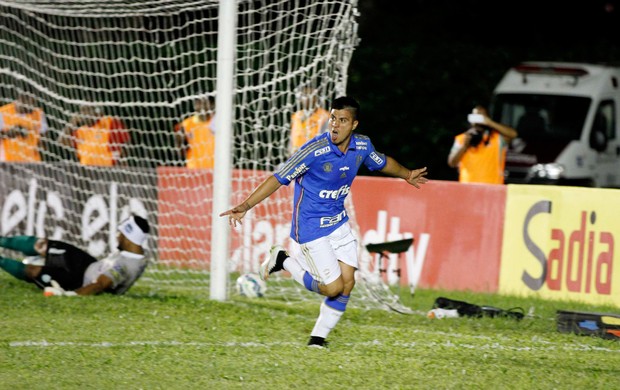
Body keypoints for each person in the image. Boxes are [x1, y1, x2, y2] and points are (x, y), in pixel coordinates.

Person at [220, 96, 428, 347]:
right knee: (332, 288)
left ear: (354, 124)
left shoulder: (361, 146)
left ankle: (317, 339)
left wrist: (406, 174)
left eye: (342, 120)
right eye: (332, 118)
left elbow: (382, 162)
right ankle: (283, 260)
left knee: (347, 283)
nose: (335, 125)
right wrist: (245, 205)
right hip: (310, 226)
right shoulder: (313, 150)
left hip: (338, 222)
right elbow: (278, 178)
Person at [0, 215, 150, 296]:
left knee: (33, 271)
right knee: (43, 245)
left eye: (120, 233)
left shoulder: (124, 266)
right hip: (86, 264)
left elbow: (100, 285)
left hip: (78, 282)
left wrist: (72, 295)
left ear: (129, 236)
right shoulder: (132, 254)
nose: (117, 237)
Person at [447, 105, 518, 184]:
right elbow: (452, 163)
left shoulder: (497, 138)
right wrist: (464, 146)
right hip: (467, 188)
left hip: (492, 188)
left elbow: (513, 134)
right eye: (475, 116)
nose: (478, 120)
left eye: (481, 116)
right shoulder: (462, 138)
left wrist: (490, 123)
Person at [59, 105, 130, 166]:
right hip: (86, 172)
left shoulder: (109, 122)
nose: (85, 113)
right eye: (83, 110)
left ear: (96, 111)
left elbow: (125, 146)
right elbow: (61, 142)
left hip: (109, 171)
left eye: (88, 109)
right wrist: (71, 123)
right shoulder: (80, 131)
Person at [0, 92, 48, 162]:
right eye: (31, 103)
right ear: (21, 99)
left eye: (34, 103)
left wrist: (41, 145)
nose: (33, 107)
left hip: (33, 162)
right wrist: (10, 133)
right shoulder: (2, 113)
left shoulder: (38, 113)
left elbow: (44, 140)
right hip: (9, 161)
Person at [174, 95, 217, 169]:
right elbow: (179, 150)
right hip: (194, 171)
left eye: (205, 103)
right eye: (198, 103)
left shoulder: (218, 123)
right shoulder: (186, 124)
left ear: (211, 105)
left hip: (216, 170)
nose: (201, 106)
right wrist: (179, 142)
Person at [289, 86, 330, 156]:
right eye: (304, 95)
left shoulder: (325, 117)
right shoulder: (296, 116)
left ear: (316, 98)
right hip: (295, 157)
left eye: (310, 95)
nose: (307, 98)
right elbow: (291, 140)